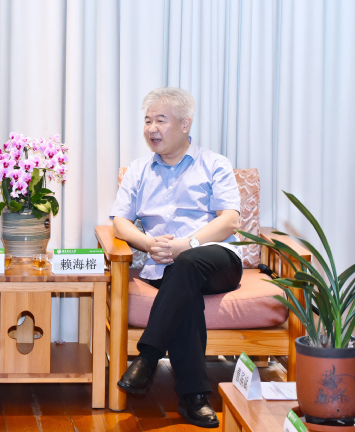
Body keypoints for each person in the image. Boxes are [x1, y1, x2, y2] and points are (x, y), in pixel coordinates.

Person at [109, 88, 242, 429]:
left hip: (218, 260)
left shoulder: (214, 163)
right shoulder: (138, 170)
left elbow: (230, 220)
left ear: (185, 124)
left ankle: (147, 357)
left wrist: (188, 244)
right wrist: (147, 243)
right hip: (166, 267)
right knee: (184, 285)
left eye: (160, 120)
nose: (151, 128)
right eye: (147, 121)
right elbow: (120, 221)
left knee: (186, 263)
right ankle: (193, 397)